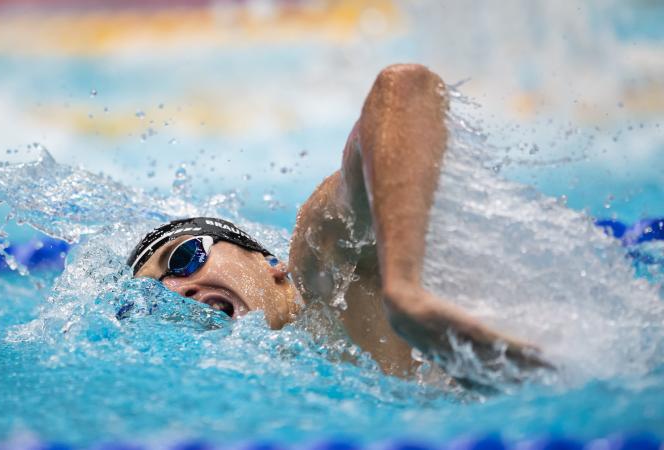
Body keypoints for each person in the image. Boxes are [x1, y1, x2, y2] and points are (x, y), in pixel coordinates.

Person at [127, 64, 547, 380]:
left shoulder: (321, 267)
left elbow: (405, 87)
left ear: (269, 263)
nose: (177, 290)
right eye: (155, 293)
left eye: (184, 256)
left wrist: (405, 292)